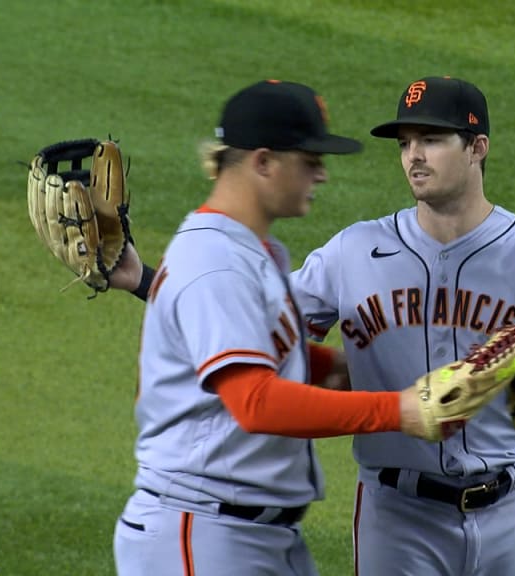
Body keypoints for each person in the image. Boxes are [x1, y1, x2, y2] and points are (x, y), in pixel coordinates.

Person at [111, 77, 515, 575]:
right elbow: (241, 334)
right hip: (397, 511)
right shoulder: (350, 252)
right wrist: (145, 281)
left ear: (477, 147)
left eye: (432, 139)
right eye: (406, 142)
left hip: (507, 506)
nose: (414, 155)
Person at [111, 79, 451, 576]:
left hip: (251, 534)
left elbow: (280, 355)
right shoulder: (216, 261)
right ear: (264, 162)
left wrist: (398, 379)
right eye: (310, 159)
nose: (322, 174)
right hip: (202, 533)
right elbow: (255, 401)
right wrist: (399, 409)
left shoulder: (252, 250)